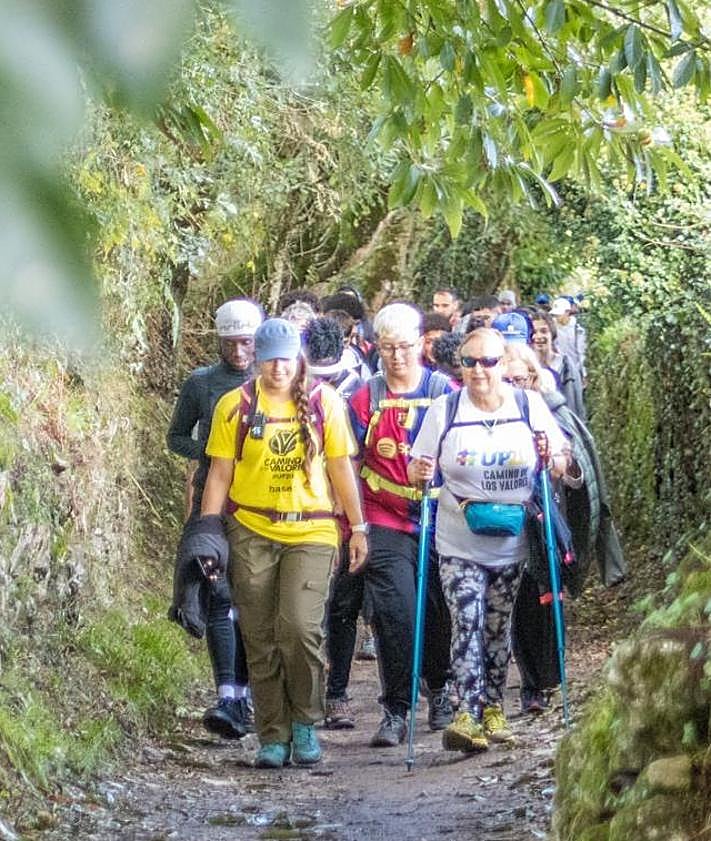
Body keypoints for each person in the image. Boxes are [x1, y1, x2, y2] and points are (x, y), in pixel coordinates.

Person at [199, 318, 368, 769]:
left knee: (299, 629)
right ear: (257, 359)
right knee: (259, 635)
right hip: (251, 529)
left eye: (287, 359)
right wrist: (207, 532)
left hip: (312, 530)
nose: (279, 368)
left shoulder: (325, 403)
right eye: (270, 359)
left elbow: (341, 467)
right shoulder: (234, 406)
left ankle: (305, 720)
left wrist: (358, 527)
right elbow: (219, 473)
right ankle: (272, 733)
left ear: (299, 359)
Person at [408, 328, 569, 752]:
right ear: (460, 366)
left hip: (511, 542)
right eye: (470, 362)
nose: (479, 370)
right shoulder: (445, 409)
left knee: (497, 626)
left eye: (489, 362)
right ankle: (466, 713)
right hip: (458, 540)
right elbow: (416, 468)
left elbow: (560, 461)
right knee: (468, 619)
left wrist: (551, 456)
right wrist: (420, 472)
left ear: (503, 364)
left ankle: (493, 708)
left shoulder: (527, 405)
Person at [348, 303, 454, 747]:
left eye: (406, 347)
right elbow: (348, 461)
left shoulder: (444, 392)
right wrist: (352, 523)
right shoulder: (365, 398)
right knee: (396, 613)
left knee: (436, 609)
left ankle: (440, 685)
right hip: (384, 517)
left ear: (420, 344)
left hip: (439, 517)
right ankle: (396, 707)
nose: (397, 356)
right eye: (389, 348)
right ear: (377, 347)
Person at [502, 344, 626, 714]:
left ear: (534, 376)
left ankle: (543, 682)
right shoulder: (482, 418)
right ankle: (530, 681)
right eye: (506, 380)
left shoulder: (554, 412)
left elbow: (580, 476)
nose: (513, 387)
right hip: (503, 520)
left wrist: (560, 461)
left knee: (544, 596)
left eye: (519, 379)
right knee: (521, 602)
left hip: (548, 519)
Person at [167, 298, 262, 739]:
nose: (239, 352)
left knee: (254, 599)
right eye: (230, 344)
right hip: (214, 499)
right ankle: (228, 696)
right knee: (220, 591)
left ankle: (254, 693)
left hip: (263, 501)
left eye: (246, 343)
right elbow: (176, 437)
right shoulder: (201, 383)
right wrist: (210, 453)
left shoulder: (275, 380)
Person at [531, 310, 586, 421]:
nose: (538, 336)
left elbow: (576, 405)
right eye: (533, 332)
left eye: (544, 331)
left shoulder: (565, 366)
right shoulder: (525, 368)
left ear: (552, 334)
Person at [550, 296, 588, 385]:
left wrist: (584, 374)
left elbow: (581, 352)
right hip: (558, 370)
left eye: (559, 314)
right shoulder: (552, 327)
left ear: (567, 312)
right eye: (555, 315)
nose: (557, 317)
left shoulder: (577, 329)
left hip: (575, 371)